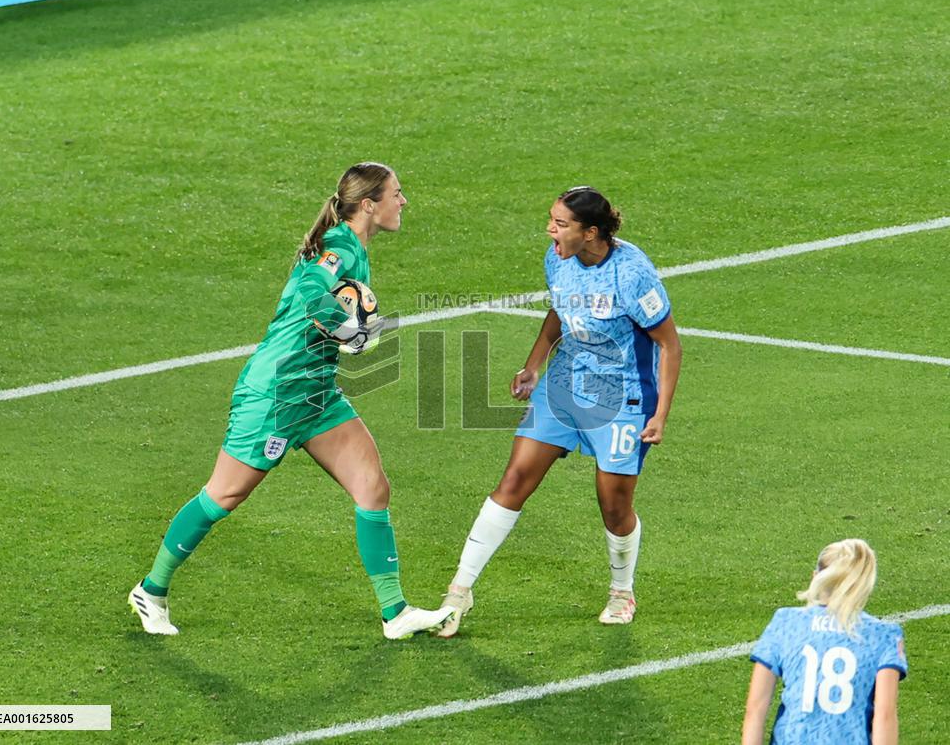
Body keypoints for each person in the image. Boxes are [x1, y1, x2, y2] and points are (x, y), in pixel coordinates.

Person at [128, 162, 454, 640]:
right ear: (369, 204)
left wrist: (357, 331)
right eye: (397, 194)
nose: (404, 202)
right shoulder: (340, 246)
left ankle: (395, 613)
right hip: (277, 393)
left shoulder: (353, 248)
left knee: (372, 487)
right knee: (224, 495)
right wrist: (348, 329)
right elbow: (309, 295)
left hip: (316, 392)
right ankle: (150, 591)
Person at [438, 185, 682, 636]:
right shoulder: (558, 258)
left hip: (622, 398)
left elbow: (669, 345)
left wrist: (660, 414)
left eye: (560, 224)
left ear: (591, 232)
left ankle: (621, 591)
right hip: (564, 387)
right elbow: (558, 310)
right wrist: (534, 366)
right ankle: (459, 591)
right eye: (551, 220)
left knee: (613, 505)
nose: (550, 230)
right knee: (514, 480)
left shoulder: (632, 274)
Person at [742, 539, 907, 745]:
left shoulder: (785, 622)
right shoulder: (883, 634)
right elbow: (884, 715)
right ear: (862, 584)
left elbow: (755, 710)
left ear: (815, 577)